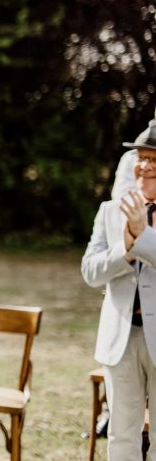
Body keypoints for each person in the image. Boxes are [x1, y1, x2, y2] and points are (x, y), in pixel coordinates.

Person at [82, 120, 156, 460]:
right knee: (121, 435)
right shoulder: (109, 213)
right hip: (120, 339)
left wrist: (143, 236)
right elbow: (91, 272)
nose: (145, 165)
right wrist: (125, 247)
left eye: (154, 159)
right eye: (141, 157)